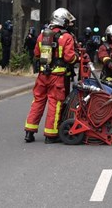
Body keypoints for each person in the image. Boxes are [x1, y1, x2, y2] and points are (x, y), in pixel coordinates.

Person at [24, 8, 77, 143]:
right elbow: (69, 57)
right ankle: (50, 135)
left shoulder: (42, 36)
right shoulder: (67, 37)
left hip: (42, 75)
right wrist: (77, 58)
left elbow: (36, 54)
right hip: (57, 77)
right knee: (55, 104)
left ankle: (29, 132)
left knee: (37, 102)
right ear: (62, 21)